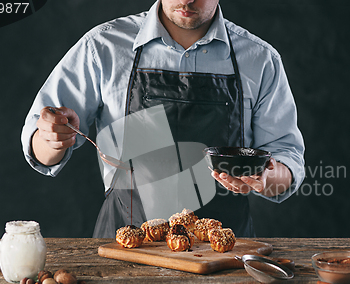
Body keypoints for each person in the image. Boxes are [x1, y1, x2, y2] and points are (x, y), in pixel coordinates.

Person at [21, 0, 305, 237]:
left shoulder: (260, 59)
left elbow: (287, 162)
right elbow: (40, 152)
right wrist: (51, 138)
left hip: (224, 253)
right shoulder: (103, 46)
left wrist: (265, 178)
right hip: (127, 244)